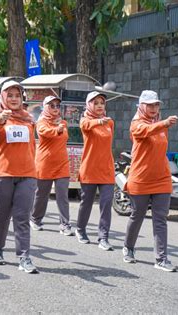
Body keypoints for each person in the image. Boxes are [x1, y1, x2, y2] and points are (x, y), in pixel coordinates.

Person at [123, 90, 178, 272]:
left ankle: (161, 258)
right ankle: (128, 247)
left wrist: (162, 124)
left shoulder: (160, 125)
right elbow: (144, 131)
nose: (154, 108)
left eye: (156, 105)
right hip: (141, 178)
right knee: (137, 215)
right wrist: (163, 123)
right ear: (141, 106)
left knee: (160, 218)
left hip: (162, 178)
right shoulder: (136, 123)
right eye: (150, 105)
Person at [0, 81, 37, 273]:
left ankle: (24, 256)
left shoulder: (28, 118)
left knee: (22, 216)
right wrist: (0, 119)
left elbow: (32, 146)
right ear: (3, 97)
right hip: (3, 174)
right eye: (10, 95)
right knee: (2, 215)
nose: (14, 99)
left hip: (27, 174)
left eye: (17, 95)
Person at [75, 91, 115, 251]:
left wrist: (103, 121)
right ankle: (80, 229)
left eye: (102, 103)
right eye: (96, 103)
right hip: (90, 169)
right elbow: (86, 126)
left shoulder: (110, 122)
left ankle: (103, 237)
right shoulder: (85, 120)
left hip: (107, 169)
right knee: (87, 203)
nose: (99, 106)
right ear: (89, 105)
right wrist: (98, 121)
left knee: (106, 204)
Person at [30, 95, 73, 235]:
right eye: (51, 105)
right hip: (45, 163)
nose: (55, 108)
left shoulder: (63, 122)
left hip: (62, 163)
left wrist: (60, 127)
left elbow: (63, 136)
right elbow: (45, 133)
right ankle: (35, 219)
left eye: (57, 105)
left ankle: (65, 224)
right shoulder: (41, 122)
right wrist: (57, 129)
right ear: (45, 107)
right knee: (42, 195)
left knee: (63, 195)